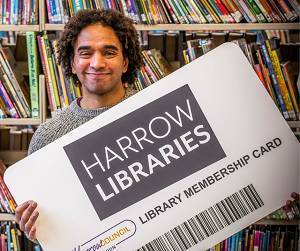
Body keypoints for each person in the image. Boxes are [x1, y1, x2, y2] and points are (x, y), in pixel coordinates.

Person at [15, 9, 143, 241]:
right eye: (85, 53)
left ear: (125, 62)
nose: (97, 62)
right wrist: (39, 230)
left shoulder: (155, 112)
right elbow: (51, 223)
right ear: (72, 63)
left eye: (109, 52)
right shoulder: (48, 137)